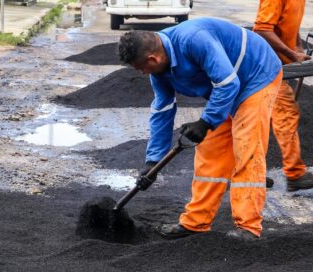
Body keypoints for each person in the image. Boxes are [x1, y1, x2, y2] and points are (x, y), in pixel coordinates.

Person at [118, 17, 282, 241]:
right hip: (225, 88)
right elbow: (162, 111)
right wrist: (152, 162)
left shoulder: (193, 39)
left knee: (247, 148)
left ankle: (248, 227)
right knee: (210, 150)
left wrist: (206, 122)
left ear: (152, 58)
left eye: (142, 69)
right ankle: (196, 222)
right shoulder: (160, 71)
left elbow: (228, 83)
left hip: (255, 76)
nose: (143, 73)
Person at [253, 0, 313, 191]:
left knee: (257, 120)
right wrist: (291, 54)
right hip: (264, 65)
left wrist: (297, 48)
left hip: (276, 66)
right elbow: (262, 30)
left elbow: (289, 26)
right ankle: (295, 174)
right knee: (285, 114)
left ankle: (250, 172)